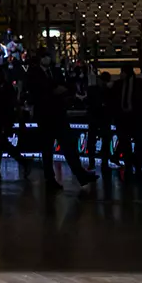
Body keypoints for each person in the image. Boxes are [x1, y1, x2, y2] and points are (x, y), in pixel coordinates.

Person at [28, 52, 94, 192]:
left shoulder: (54, 71)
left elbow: (63, 86)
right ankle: (50, 178)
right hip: (45, 116)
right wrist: (53, 91)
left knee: (68, 145)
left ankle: (81, 175)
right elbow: (41, 90)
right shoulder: (34, 73)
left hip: (58, 114)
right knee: (47, 149)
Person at [0, 65, 31, 183]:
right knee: (0, 145)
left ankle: (20, 163)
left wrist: (18, 119)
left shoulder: (6, 87)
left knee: (0, 144)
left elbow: (13, 104)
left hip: (6, 119)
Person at [113, 67, 142, 174]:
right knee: (125, 143)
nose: (120, 74)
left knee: (139, 143)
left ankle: (138, 165)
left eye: (122, 72)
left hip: (138, 119)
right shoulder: (117, 85)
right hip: (122, 119)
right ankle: (128, 164)